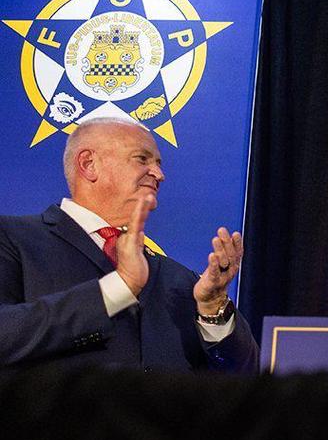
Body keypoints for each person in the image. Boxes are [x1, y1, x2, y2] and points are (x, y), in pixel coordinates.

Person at [0, 117, 258, 372]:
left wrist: (213, 310)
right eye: (142, 159)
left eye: (158, 163)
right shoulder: (13, 237)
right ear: (89, 164)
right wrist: (118, 288)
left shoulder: (181, 279)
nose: (159, 174)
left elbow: (243, 374)